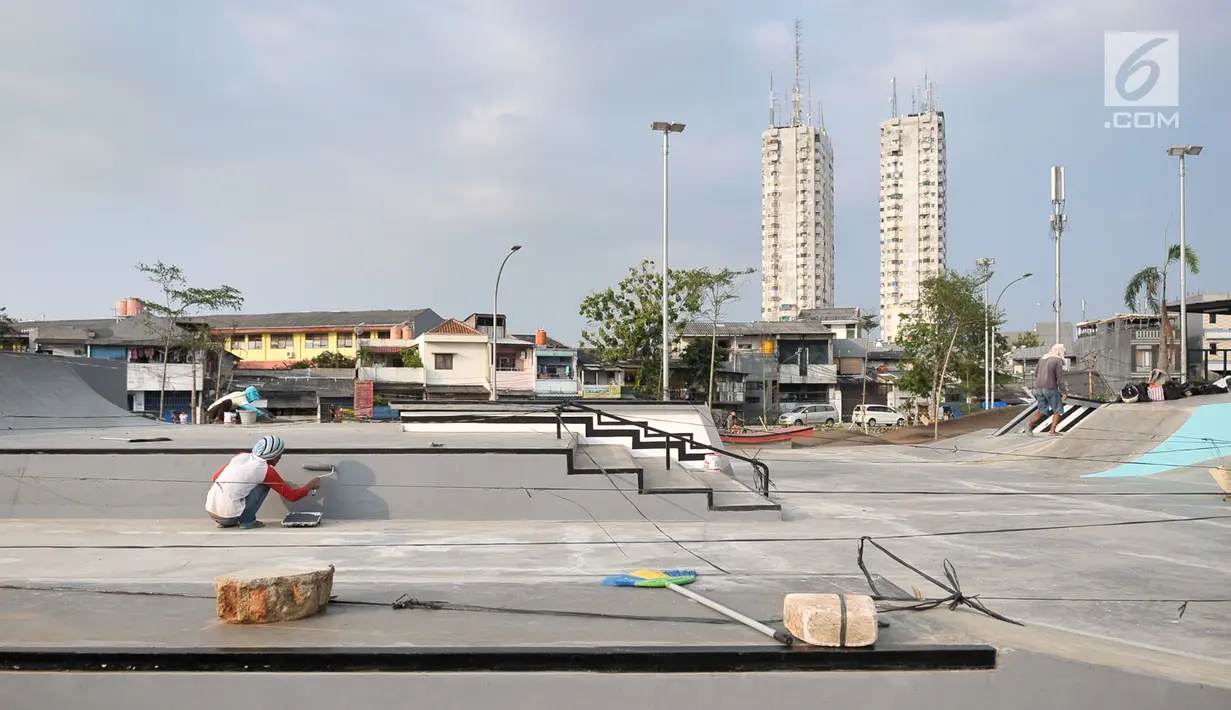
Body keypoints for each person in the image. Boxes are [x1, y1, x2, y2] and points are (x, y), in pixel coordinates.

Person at [206, 435, 320, 529]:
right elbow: (292, 496)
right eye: (279, 455)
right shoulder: (266, 470)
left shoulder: (241, 456)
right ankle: (248, 521)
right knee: (264, 485)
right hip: (231, 517)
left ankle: (223, 522)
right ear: (273, 455)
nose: (280, 457)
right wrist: (309, 486)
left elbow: (215, 477)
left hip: (211, 512)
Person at [1024, 343, 1068, 436]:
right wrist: (1064, 392)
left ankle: (1029, 425)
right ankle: (1052, 431)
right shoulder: (1057, 360)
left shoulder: (1042, 359)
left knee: (1042, 410)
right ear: (1060, 351)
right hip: (1051, 387)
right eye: (1063, 352)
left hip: (1039, 388)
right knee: (1057, 410)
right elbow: (1059, 378)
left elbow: (1036, 374)